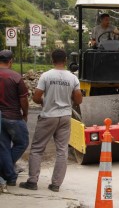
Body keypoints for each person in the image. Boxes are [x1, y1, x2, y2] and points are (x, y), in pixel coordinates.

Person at [19, 49, 83, 192]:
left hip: (48, 116)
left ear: (52, 60)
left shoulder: (46, 76)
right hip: (65, 117)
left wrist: (44, 102)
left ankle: (32, 181)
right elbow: (79, 99)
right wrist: (69, 99)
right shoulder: (73, 78)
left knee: (37, 149)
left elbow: (36, 97)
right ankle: (56, 184)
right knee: (62, 150)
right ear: (65, 60)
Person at [0, 49, 29, 189]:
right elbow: (24, 99)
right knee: (22, 142)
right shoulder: (16, 77)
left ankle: (8, 175)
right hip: (12, 116)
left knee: (4, 147)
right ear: (10, 61)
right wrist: (25, 114)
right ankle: (7, 172)